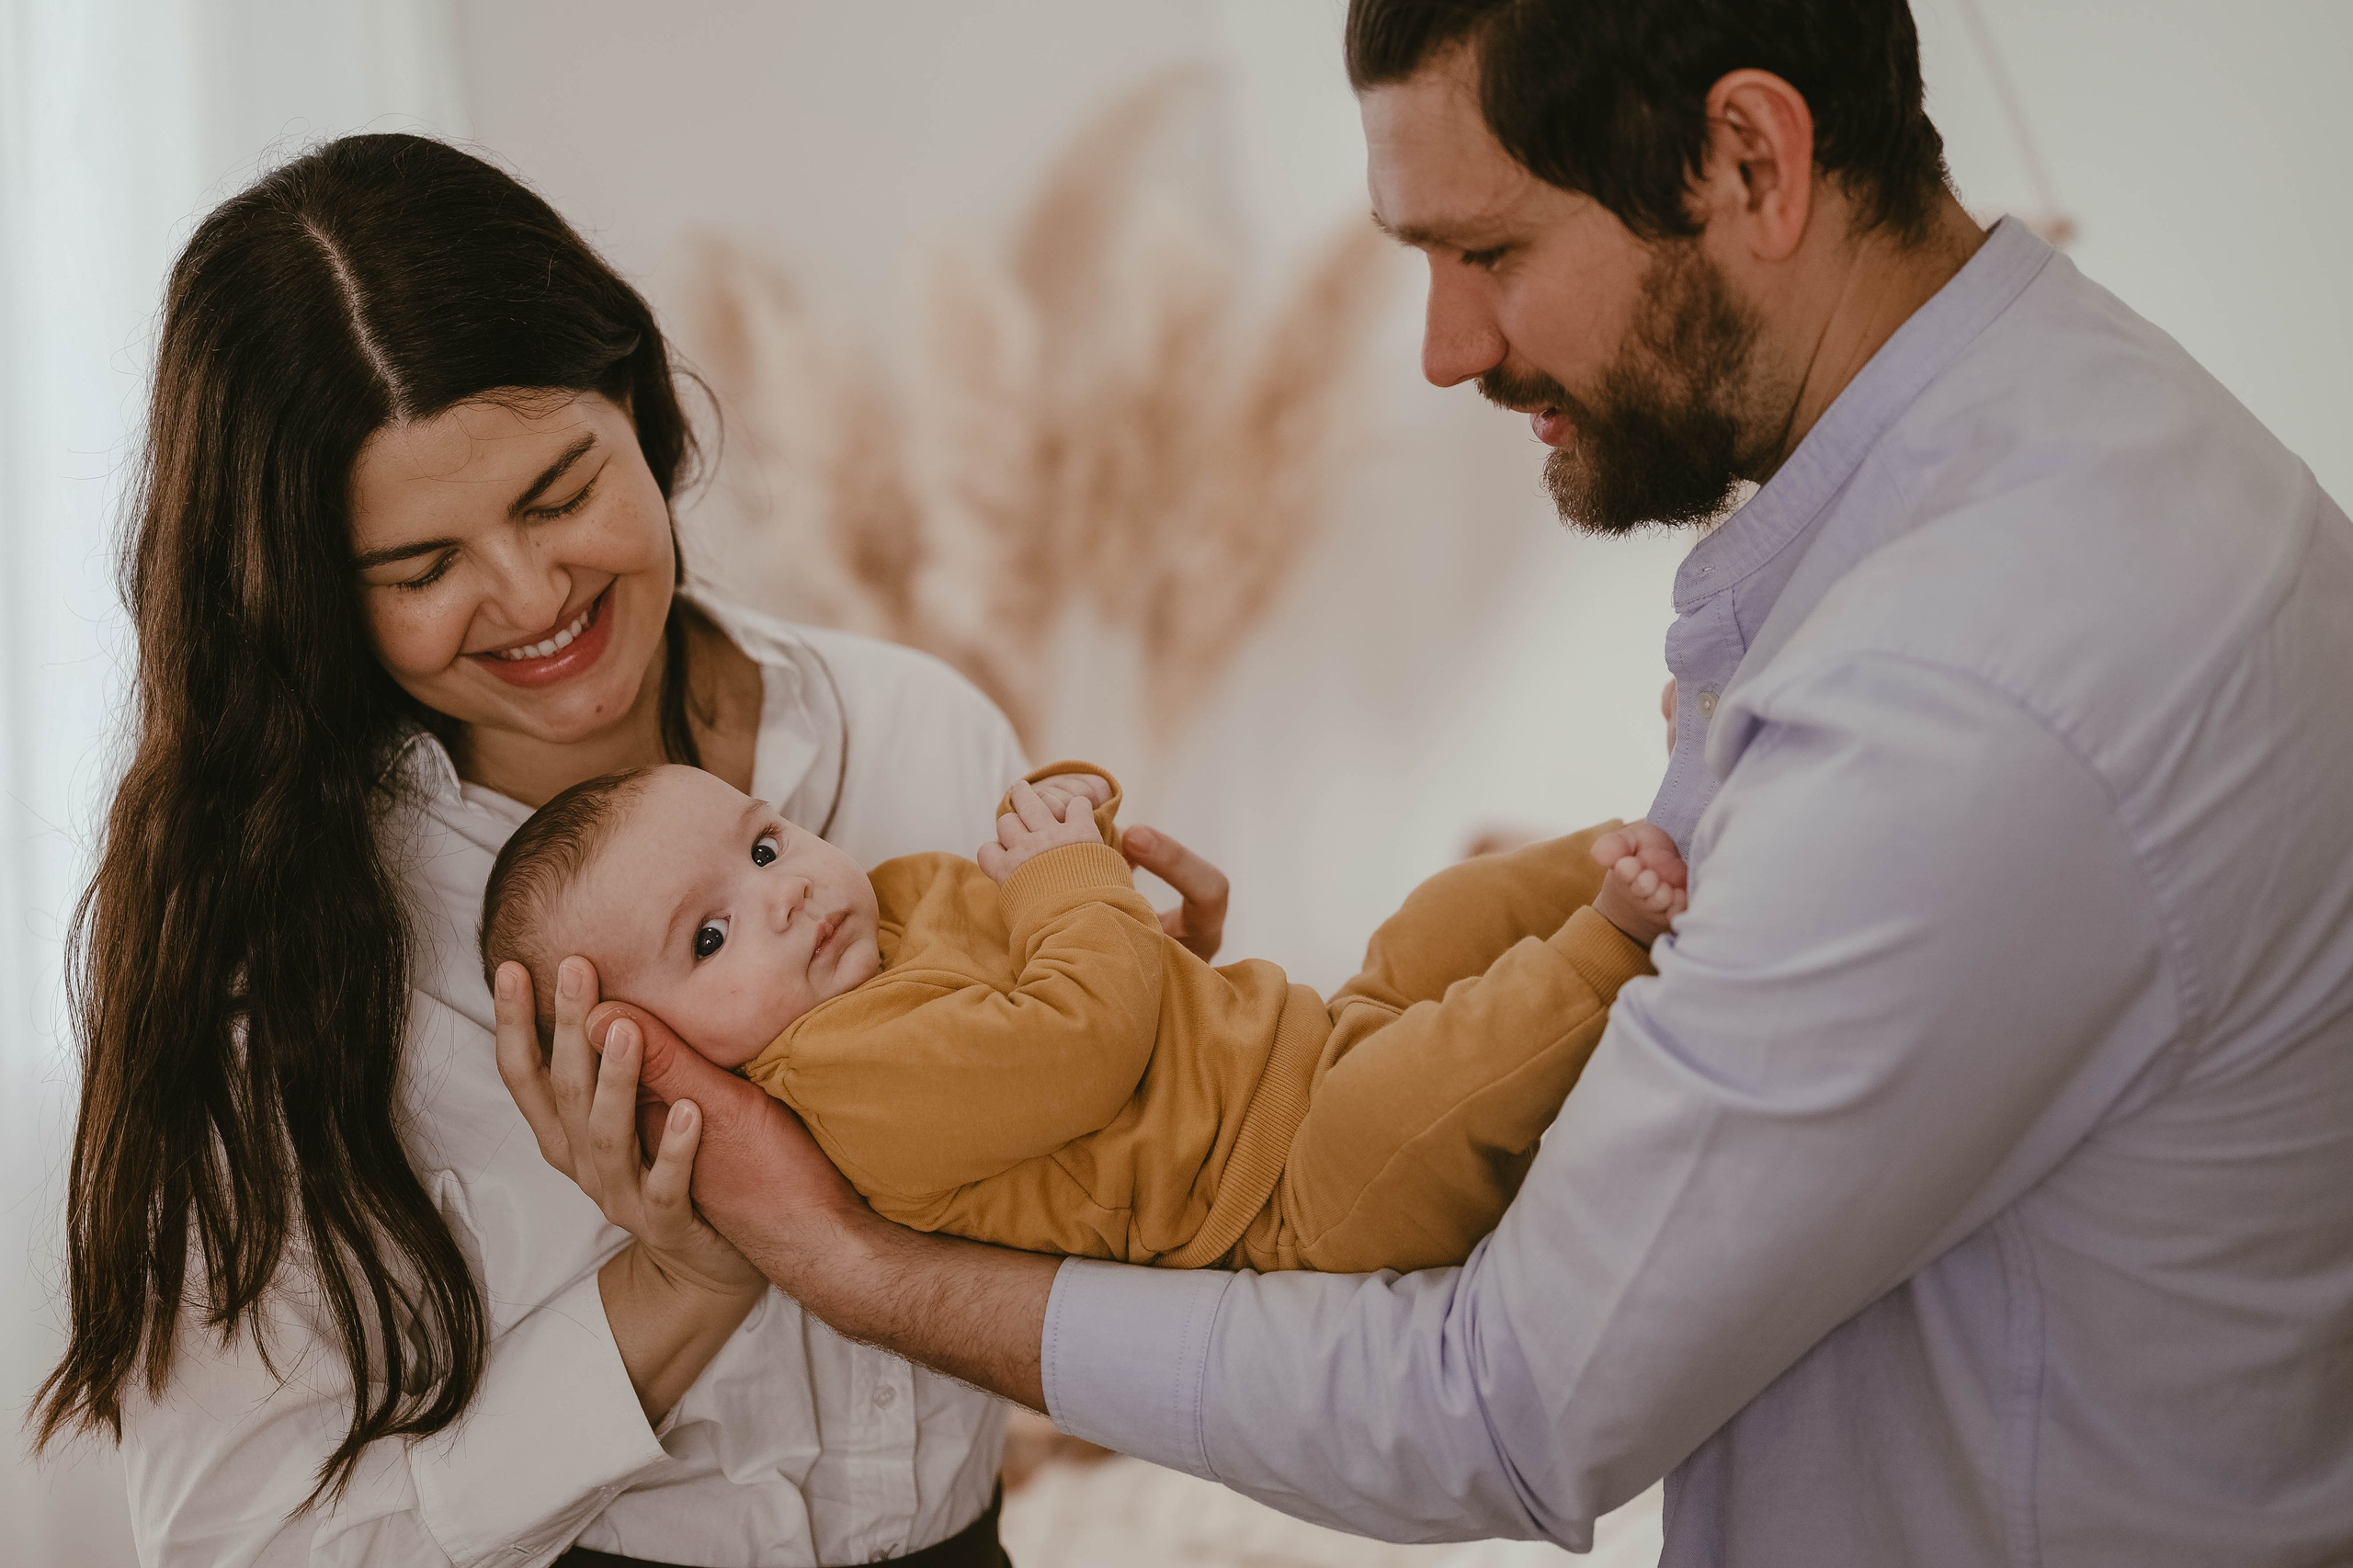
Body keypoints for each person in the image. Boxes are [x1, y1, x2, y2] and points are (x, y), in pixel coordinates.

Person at [520, 2, 2353, 1563]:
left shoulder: (1971, 686)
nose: (1445, 350)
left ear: (1746, 160)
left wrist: (859, 1272)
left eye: (1483, 254)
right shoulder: (2080, 456)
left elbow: (1504, 1401)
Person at [29, 133, 1224, 1568]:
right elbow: (242, 1547)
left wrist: (1156, 1051)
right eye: (422, 569)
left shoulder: (917, 736)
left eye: (558, 495)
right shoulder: (280, 958)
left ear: (639, 408)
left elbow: (1082, 1237)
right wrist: (674, 1286)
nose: (532, 595)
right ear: (314, 600)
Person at [479, 761, 1684, 1273]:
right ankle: (1611, 938)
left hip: (1308, 1031)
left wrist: (1060, 808)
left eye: (762, 839)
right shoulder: (849, 1087)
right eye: (709, 934)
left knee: (1436, 920)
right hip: (1290, 1189)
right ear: (659, 1059)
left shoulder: (888, 910)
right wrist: (1063, 877)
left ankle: (1657, 828)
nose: (783, 889)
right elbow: (1079, 1042)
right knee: (1416, 1091)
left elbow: (1038, 913)